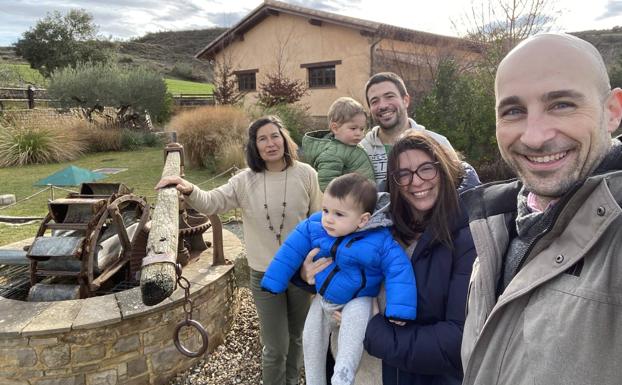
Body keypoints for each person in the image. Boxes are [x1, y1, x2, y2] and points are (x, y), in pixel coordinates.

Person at [460, 33, 622, 385]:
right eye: (514, 111)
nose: (534, 136)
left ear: (612, 112)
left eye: (561, 104)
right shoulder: (501, 223)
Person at [155, 116, 322, 385]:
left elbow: (318, 226)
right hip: (265, 276)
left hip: (301, 274)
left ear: (284, 139)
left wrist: (316, 271)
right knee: (275, 347)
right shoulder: (244, 181)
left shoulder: (307, 174)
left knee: (296, 337)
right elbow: (212, 202)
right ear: (254, 147)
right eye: (262, 139)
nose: (270, 143)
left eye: (275, 136)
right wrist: (188, 188)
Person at [304, 132, 478, 385]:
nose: (415, 182)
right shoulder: (380, 222)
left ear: (445, 169)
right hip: (356, 371)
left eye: (426, 169)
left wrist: (374, 329)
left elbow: (457, 340)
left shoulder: (467, 237)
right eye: (403, 174)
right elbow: (334, 244)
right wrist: (305, 275)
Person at [262, 173, 417, 385]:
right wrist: (274, 280)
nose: (328, 218)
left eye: (338, 214)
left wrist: (400, 309)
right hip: (323, 297)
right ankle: (314, 380)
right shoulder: (316, 225)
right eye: (325, 210)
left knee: (352, 333)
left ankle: (343, 376)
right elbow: (290, 249)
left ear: (363, 219)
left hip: (358, 299)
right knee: (311, 337)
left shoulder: (380, 240)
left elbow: (399, 270)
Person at [360, 72, 454, 186]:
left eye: (389, 96)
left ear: (406, 100)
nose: (383, 106)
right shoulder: (360, 150)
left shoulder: (438, 143)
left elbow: (458, 189)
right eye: (374, 101)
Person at [302, 97, 375, 191]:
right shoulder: (332, 153)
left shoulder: (351, 146)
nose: (359, 133)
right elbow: (328, 185)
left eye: (361, 129)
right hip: (349, 201)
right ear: (335, 128)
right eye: (353, 128)